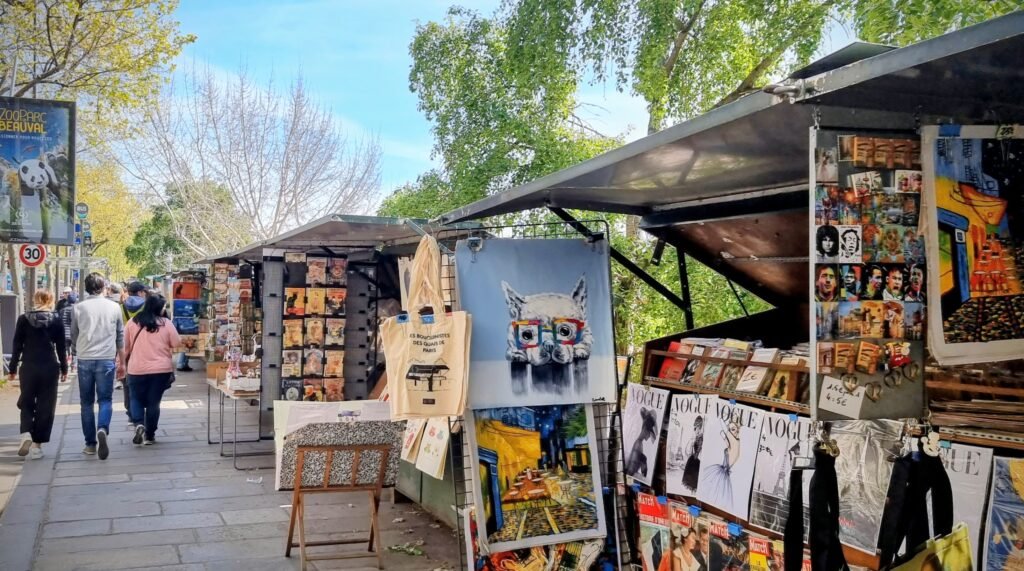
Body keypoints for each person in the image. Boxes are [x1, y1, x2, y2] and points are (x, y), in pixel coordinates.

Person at [71, 273, 125, 460]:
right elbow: (120, 337)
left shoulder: (78, 308)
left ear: (86, 288)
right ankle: (102, 428)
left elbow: (74, 334)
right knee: (105, 399)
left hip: (85, 358)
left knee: (86, 403)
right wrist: (123, 362)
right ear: (103, 287)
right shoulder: (114, 307)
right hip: (107, 358)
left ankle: (90, 444)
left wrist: (76, 351)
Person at [8, 291, 68, 459]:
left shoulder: (23, 319)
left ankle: (26, 431)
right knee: (46, 405)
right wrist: (64, 368)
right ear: (51, 301)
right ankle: (37, 446)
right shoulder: (56, 320)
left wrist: (12, 369)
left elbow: (17, 345)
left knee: (26, 401)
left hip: (29, 366)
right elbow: (61, 347)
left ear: (35, 300)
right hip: (49, 366)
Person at [124, 291, 180, 446]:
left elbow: (125, 347)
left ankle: (138, 424)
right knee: (154, 402)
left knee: (135, 398)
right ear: (160, 308)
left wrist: (120, 365)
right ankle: (149, 435)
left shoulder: (132, 322)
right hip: (160, 370)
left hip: (136, 368)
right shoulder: (165, 323)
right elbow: (176, 343)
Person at [119, 282, 148, 420]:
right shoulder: (146, 306)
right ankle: (140, 408)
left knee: (127, 381)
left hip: (126, 346)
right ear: (140, 292)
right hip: (143, 346)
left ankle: (130, 410)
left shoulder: (121, 308)